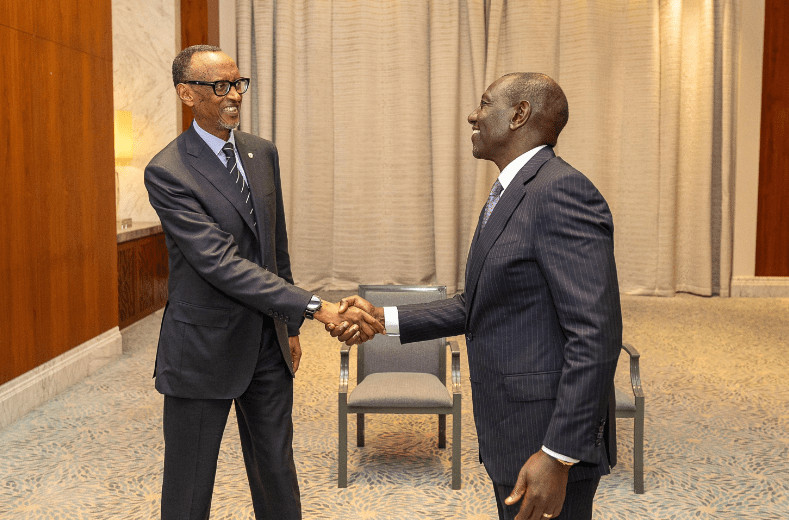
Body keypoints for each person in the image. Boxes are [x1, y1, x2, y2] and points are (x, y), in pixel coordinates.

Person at [331, 73, 622, 520]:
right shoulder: (513, 192)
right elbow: (479, 304)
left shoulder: (560, 192)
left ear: (518, 115)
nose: (473, 114)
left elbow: (596, 334)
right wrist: (382, 317)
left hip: (545, 438)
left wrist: (559, 453)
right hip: (512, 430)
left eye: (485, 104)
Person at [144, 45, 383, 520]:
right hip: (202, 350)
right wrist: (317, 307)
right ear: (185, 93)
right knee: (190, 487)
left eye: (238, 83)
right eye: (219, 86)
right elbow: (222, 264)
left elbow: (275, 247)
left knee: (277, 472)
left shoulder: (260, 152)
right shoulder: (168, 171)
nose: (233, 95)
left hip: (266, 345)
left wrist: (289, 325)